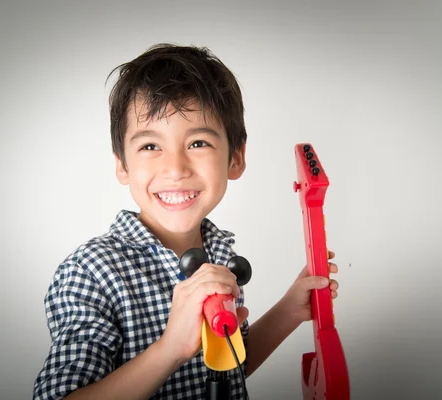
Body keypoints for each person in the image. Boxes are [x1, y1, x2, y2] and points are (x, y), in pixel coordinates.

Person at [33, 43, 339, 400]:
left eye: (197, 143)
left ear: (236, 158)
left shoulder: (218, 253)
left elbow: (224, 367)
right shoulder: (91, 272)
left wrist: (288, 311)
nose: (175, 168)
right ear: (122, 164)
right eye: (150, 146)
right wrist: (171, 348)